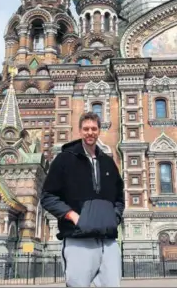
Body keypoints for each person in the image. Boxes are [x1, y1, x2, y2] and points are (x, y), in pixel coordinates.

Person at [40, 112, 125, 287]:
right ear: (80, 131)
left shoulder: (108, 163)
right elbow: (48, 197)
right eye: (86, 129)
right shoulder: (65, 159)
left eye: (94, 129)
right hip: (78, 239)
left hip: (108, 241)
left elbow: (119, 197)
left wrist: (113, 218)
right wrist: (74, 216)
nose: (90, 132)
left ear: (99, 131)